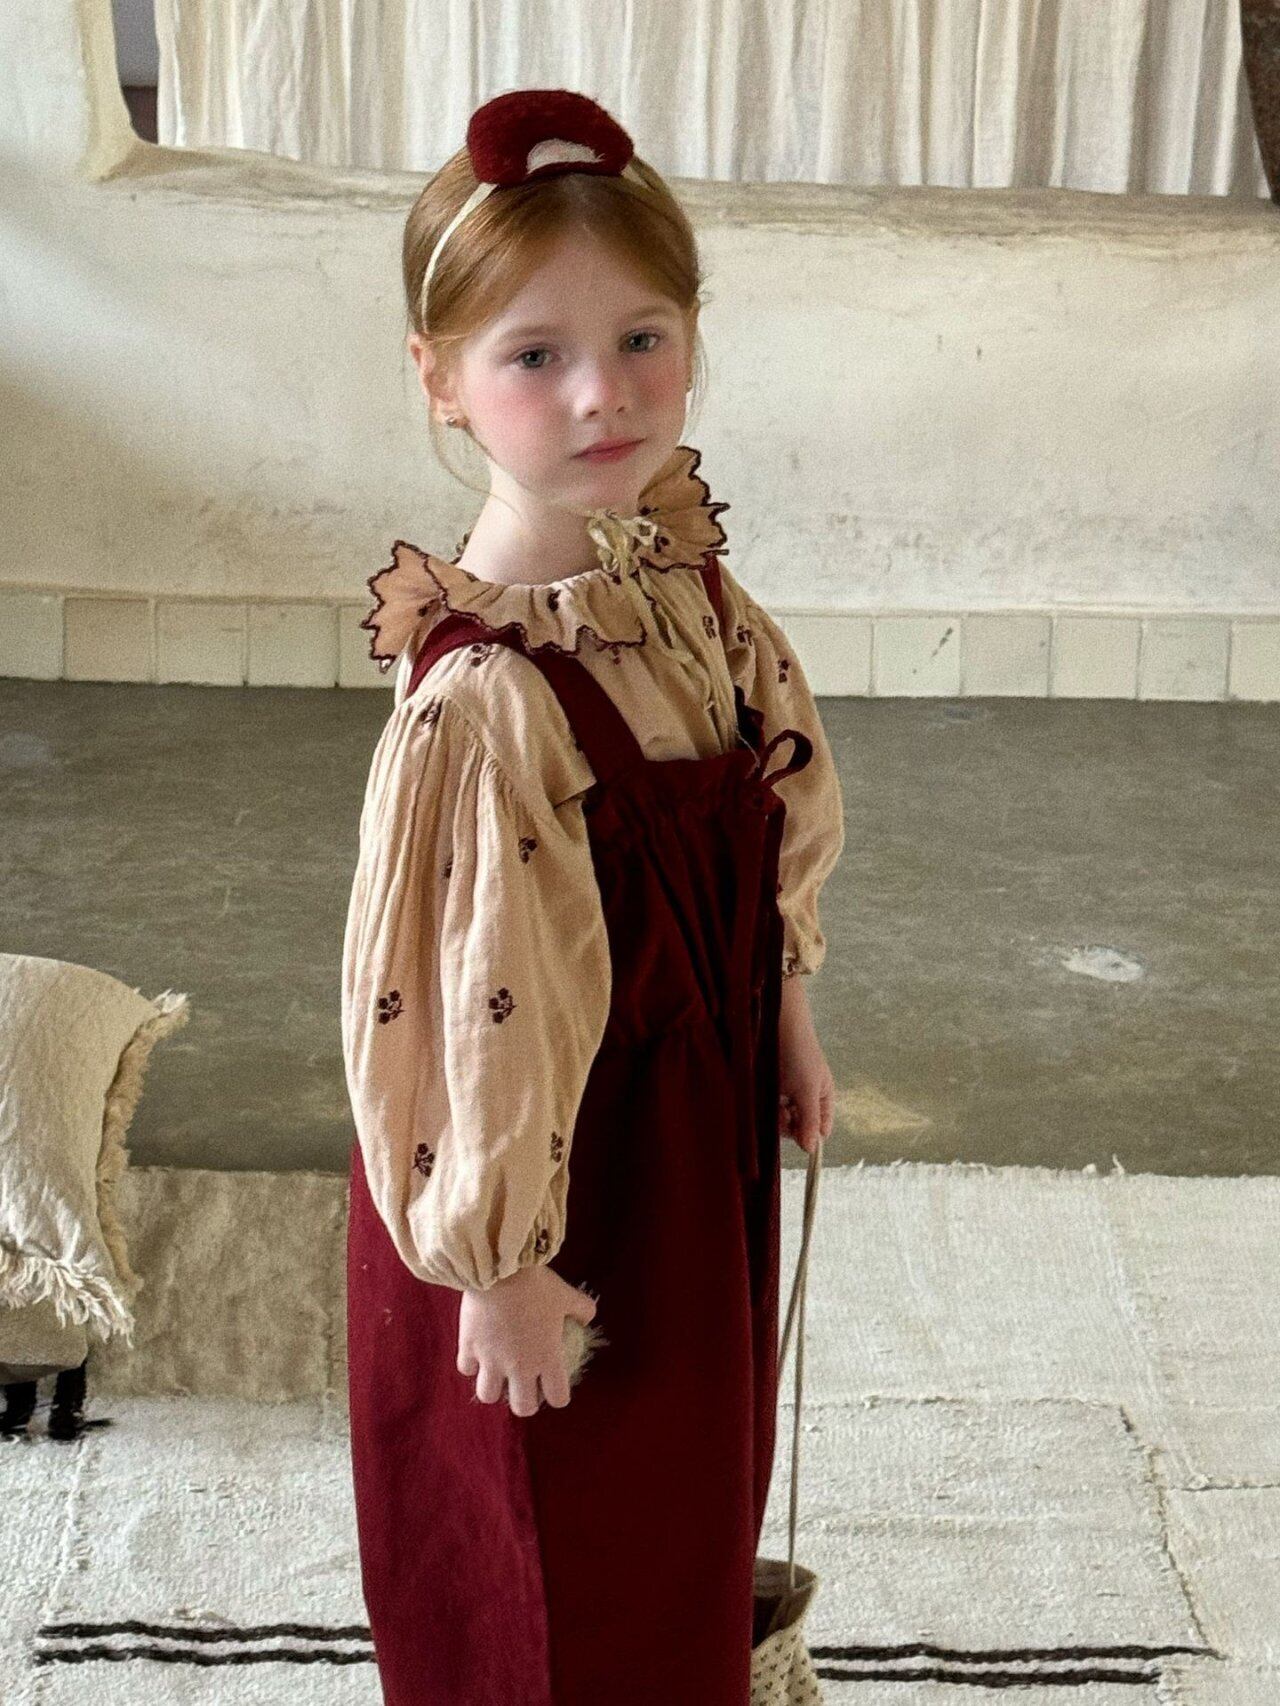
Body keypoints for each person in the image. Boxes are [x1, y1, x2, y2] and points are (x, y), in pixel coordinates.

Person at [340, 87, 845, 1706]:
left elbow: (766, 818)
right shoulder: (484, 701)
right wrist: (495, 1260)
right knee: (557, 1531)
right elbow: (444, 1001)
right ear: (441, 379)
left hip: (687, 1130)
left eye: (642, 339)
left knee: (682, 1496)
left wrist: (783, 1006)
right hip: (544, 1172)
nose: (602, 393)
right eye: (535, 355)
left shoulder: (683, 592)